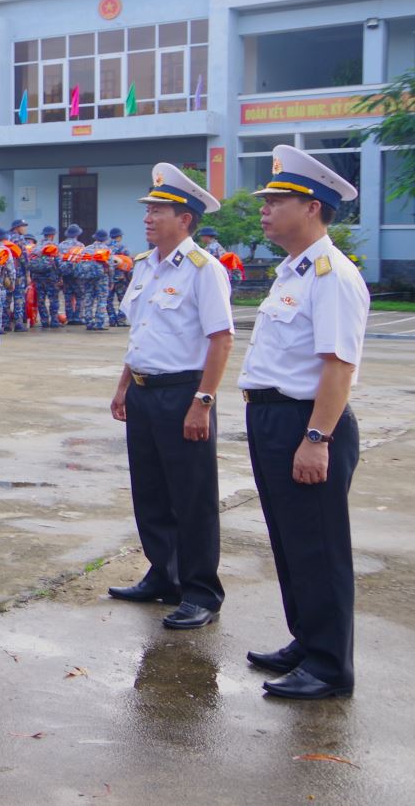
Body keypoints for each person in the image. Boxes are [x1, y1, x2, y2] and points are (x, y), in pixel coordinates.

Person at [237, 145, 369, 700]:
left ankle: (330, 666)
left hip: (306, 423)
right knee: (292, 543)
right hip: (274, 418)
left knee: (319, 546)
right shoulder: (293, 272)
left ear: (311, 207)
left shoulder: (331, 275)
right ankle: (306, 639)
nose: (264, 209)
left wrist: (317, 438)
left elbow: (338, 365)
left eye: (276, 201)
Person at [108, 164, 235, 631]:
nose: (148, 217)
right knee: (152, 491)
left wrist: (203, 401)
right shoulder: (144, 266)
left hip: (185, 392)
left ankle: (201, 591)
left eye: (158, 210)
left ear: (185, 218)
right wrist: (123, 386)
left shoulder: (204, 270)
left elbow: (221, 340)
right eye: (148, 209)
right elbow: (140, 334)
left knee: (193, 497)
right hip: (143, 391)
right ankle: (164, 574)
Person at [74, 230, 113, 331]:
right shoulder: (106, 249)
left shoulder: (86, 249)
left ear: (95, 237)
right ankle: (99, 323)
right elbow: (111, 267)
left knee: (88, 298)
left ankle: (88, 322)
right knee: (102, 299)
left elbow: (79, 263)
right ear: (105, 239)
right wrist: (111, 281)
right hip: (102, 277)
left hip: (87, 277)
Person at [30, 227, 64, 328]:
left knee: (41, 299)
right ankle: (54, 321)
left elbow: (30, 261)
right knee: (53, 299)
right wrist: (60, 277)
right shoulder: (54, 246)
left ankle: (44, 321)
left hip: (37, 277)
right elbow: (59, 263)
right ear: (52, 235)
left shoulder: (36, 247)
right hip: (51, 277)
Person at [59, 224, 86, 324]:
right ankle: (78, 317)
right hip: (77, 275)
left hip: (65, 274)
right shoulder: (80, 245)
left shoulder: (61, 245)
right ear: (77, 234)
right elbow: (83, 261)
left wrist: (60, 276)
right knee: (80, 296)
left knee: (68, 296)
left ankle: (69, 318)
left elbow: (58, 261)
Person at [108, 227, 131, 327]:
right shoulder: (122, 247)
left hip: (108, 278)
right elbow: (128, 262)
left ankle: (112, 320)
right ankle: (121, 320)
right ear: (119, 236)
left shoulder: (105, 246)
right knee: (122, 299)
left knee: (108, 299)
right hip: (120, 277)